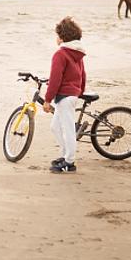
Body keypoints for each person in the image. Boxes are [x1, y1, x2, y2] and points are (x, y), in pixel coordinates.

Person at [43, 16, 87, 173]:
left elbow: (55, 79)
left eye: (57, 35)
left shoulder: (60, 54)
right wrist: (79, 91)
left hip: (65, 96)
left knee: (68, 129)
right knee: (55, 127)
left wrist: (47, 100)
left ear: (62, 37)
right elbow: (83, 75)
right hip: (70, 95)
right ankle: (65, 154)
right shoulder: (77, 53)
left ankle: (70, 162)